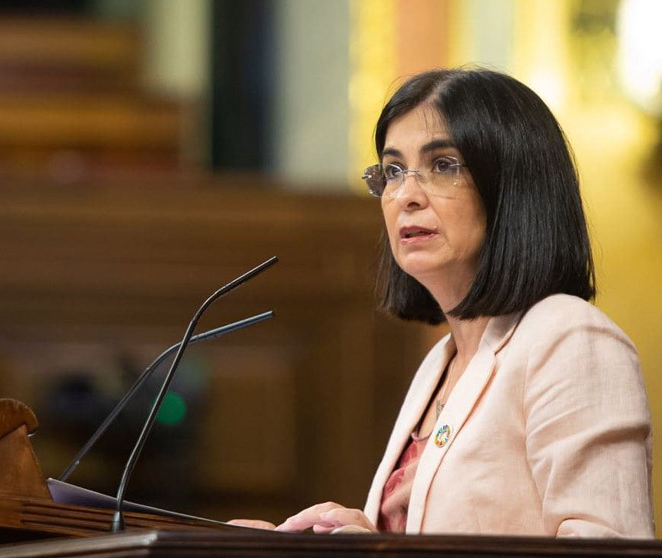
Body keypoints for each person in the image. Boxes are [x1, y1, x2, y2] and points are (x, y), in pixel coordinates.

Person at [232, 68, 654, 537]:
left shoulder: (571, 341)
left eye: (444, 165)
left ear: (511, 186)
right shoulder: (442, 361)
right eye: (393, 171)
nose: (406, 196)